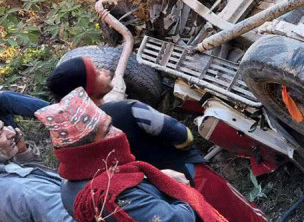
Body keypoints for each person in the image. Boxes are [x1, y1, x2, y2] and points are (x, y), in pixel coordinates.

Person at [47, 57, 268, 222]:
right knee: (240, 214)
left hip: (165, 197)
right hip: (189, 179)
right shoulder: (128, 110)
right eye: (98, 72)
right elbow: (184, 135)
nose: (117, 132)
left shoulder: (74, 184)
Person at [35, 87, 225, 222]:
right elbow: (178, 219)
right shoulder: (114, 193)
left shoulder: (70, 185)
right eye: (108, 128)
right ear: (89, 147)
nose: (118, 132)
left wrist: (156, 180)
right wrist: (177, 189)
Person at [0, 119, 75, 221]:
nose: (12, 132)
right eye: (0, 132)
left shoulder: (7, 173)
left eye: (4, 126)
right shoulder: (33, 191)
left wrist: (22, 152)